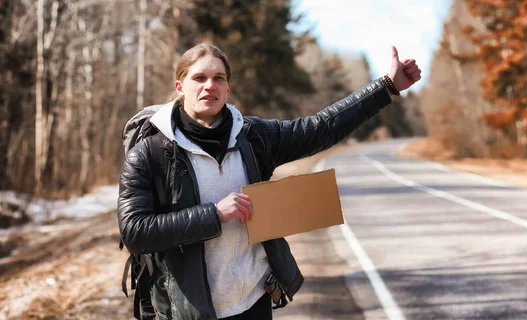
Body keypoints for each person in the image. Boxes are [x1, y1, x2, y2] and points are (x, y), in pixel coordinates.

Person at [117, 43, 421, 320]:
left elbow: (320, 128)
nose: (210, 86)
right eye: (200, 78)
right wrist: (214, 215)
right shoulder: (151, 152)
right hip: (190, 313)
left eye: (219, 78)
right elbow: (135, 232)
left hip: (254, 304)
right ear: (180, 86)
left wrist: (387, 87)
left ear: (228, 87)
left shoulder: (252, 136)